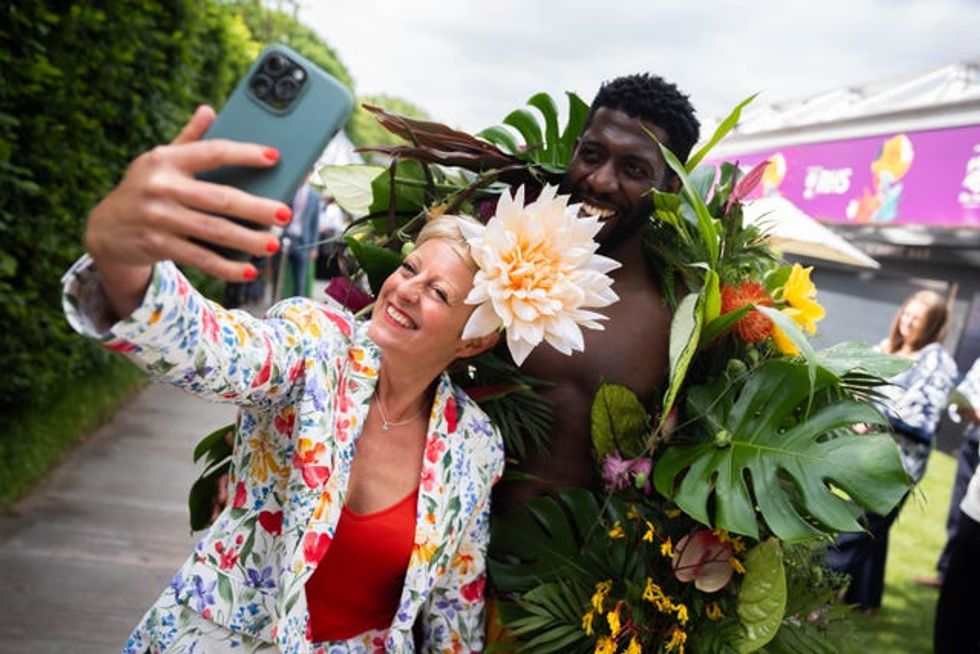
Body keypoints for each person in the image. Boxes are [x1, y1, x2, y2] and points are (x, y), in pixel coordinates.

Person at [62, 105, 505, 652]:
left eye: (439, 293)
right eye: (411, 268)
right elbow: (213, 348)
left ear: (474, 340)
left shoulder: (476, 445)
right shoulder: (315, 341)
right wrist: (124, 263)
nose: (408, 290)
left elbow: (455, 610)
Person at [495, 73, 701, 510]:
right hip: (452, 550)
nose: (602, 181)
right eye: (592, 155)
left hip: (586, 569)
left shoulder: (682, 317)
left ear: (670, 187)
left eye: (633, 169)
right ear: (575, 152)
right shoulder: (501, 250)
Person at [826, 289, 958, 613]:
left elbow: (923, 422)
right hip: (863, 454)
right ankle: (865, 601)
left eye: (917, 319)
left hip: (895, 466)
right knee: (874, 530)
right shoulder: (889, 348)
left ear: (934, 325)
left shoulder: (937, 363)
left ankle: (816, 598)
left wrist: (874, 418)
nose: (907, 322)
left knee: (853, 532)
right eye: (907, 313)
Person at [917, 357, 980, 589]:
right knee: (958, 511)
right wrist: (962, 408)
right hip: (972, 444)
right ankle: (947, 573)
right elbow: (964, 391)